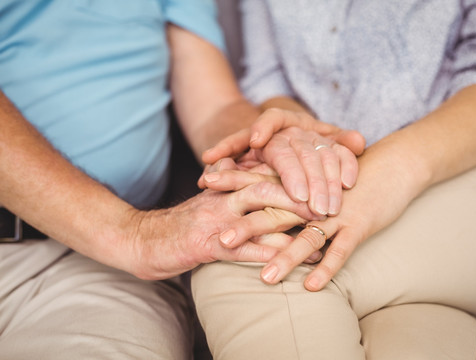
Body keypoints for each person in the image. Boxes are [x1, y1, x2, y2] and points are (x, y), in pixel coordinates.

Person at [0, 1, 362, 358]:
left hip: (94, 268)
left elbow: (214, 107)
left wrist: (268, 144)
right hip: (117, 240)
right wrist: (133, 235)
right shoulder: (132, 238)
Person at [192, 1, 476, 359]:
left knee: (251, 266)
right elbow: (269, 76)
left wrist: (386, 172)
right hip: (353, 182)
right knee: (419, 340)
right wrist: (308, 151)